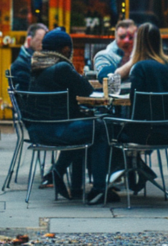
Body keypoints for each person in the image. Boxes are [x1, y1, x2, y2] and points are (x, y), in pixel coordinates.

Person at [28, 28, 117, 204]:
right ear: (65, 49)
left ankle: (72, 183)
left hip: (38, 130)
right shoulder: (61, 67)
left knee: (85, 126)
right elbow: (87, 90)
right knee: (100, 127)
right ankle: (99, 188)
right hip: (57, 131)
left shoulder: (37, 65)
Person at [111, 23, 168, 191]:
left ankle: (108, 183)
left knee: (106, 128)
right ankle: (140, 170)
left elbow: (135, 109)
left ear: (138, 42)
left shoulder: (140, 68)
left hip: (146, 133)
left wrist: (134, 59)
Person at [9, 23, 47, 91]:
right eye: (40, 41)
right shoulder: (21, 65)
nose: (43, 45)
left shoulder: (34, 60)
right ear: (29, 40)